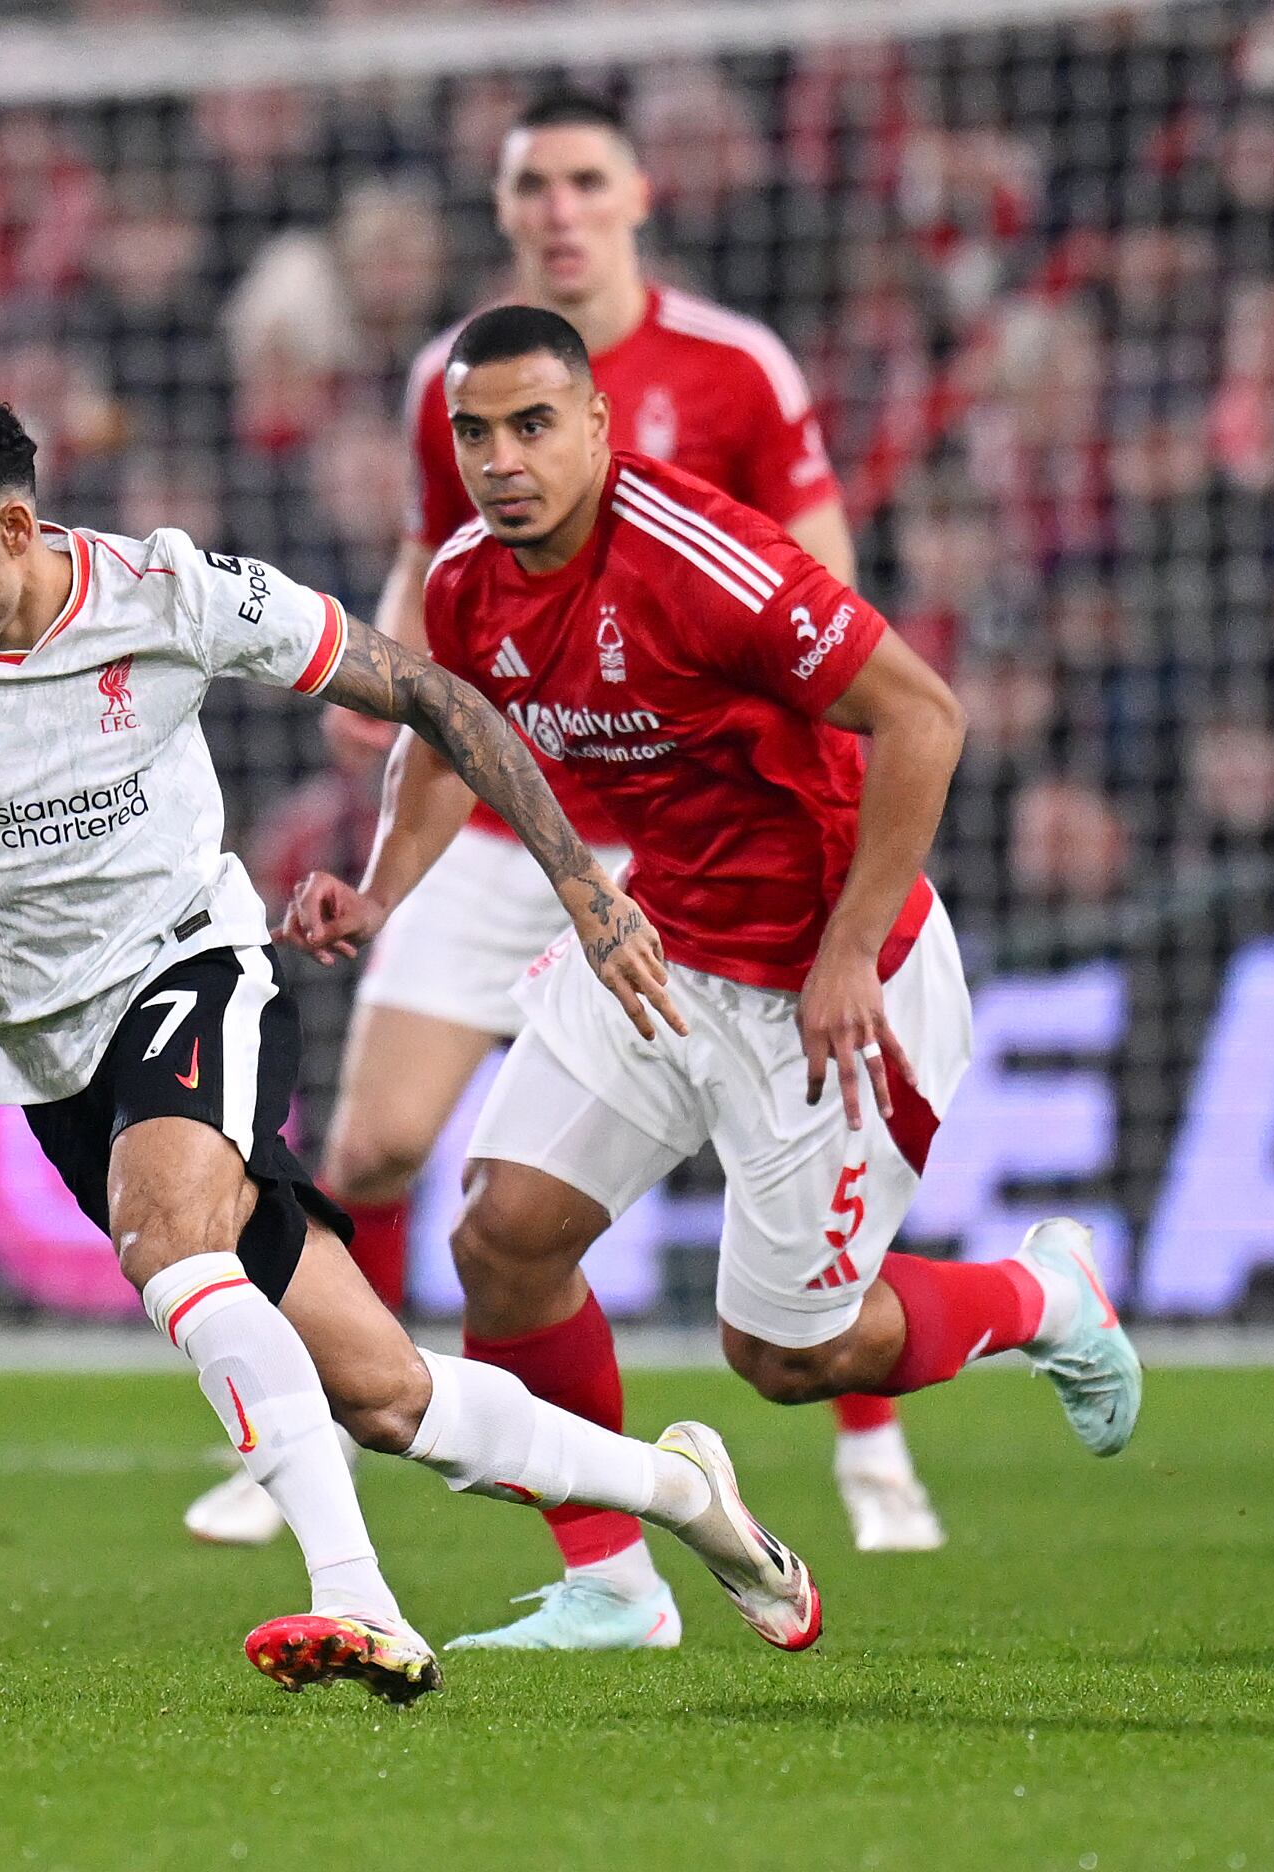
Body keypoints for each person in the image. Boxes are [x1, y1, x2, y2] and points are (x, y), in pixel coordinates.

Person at [0, 384, 822, 1703]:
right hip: (50, 1059)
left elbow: (435, 696)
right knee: (388, 1396)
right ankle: (682, 1491)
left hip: (196, 968)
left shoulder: (171, 595)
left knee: (166, 1228)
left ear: (16, 526)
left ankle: (358, 1603)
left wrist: (578, 881)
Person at [279, 308, 1142, 1645]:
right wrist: (383, 890)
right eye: (475, 433)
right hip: (663, 944)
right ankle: (612, 1580)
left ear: (600, 428)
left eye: (533, 425)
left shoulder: (704, 562)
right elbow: (446, 737)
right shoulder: (463, 580)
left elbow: (924, 716)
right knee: (502, 1240)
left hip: (836, 977)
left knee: (789, 1356)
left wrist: (848, 950)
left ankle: (1046, 1300)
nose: (502, 459)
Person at [180, 83, 940, 1586]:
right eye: (531, 185)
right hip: (514, 812)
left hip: (704, 833)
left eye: (586, 179)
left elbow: (837, 609)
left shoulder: (733, 370)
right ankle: (424, 1473)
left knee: (789, 1276)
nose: (558, 209)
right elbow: (429, 578)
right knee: (395, 1151)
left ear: (638, 195)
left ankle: (874, 1428)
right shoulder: (451, 390)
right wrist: (381, 697)